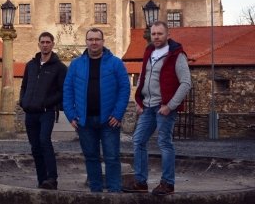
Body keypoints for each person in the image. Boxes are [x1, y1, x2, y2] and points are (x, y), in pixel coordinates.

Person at [124, 21, 192, 196]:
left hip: (164, 108)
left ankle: (168, 184)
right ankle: (140, 182)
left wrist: (170, 106)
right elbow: (142, 77)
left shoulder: (177, 55)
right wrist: (138, 100)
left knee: (164, 143)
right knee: (138, 140)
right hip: (147, 106)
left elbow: (186, 83)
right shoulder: (149, 52)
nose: (156, 37)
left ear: (167, 35)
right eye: (153, 34)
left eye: (160, 34)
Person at [62, 28, 130, 193]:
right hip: (84, 120)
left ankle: (115, 192)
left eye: (97, 39)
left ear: (102, 41)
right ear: (86, 42)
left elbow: (124, 89)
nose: (94, 42)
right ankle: (96, 192)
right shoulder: (76, 64)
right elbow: (67, 90)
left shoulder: (115, 63)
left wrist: (118, 113)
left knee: (112, 158)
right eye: (90, 39)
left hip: (109, 120)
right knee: (91, 158)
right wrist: (70, 115)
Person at [19, 31, 67, 190]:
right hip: (30, 112)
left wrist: (47, 103)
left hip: (46, 112)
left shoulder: (59, 67)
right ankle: (42, 180)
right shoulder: (30, 65)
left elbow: (62, 91)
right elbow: (24, 86)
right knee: (35, 147)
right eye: (43, 42)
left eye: (48, 42)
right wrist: (23, 102)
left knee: (44, 141)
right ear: (39, 44)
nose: (45, 44)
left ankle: (52, 178)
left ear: (53, 44)